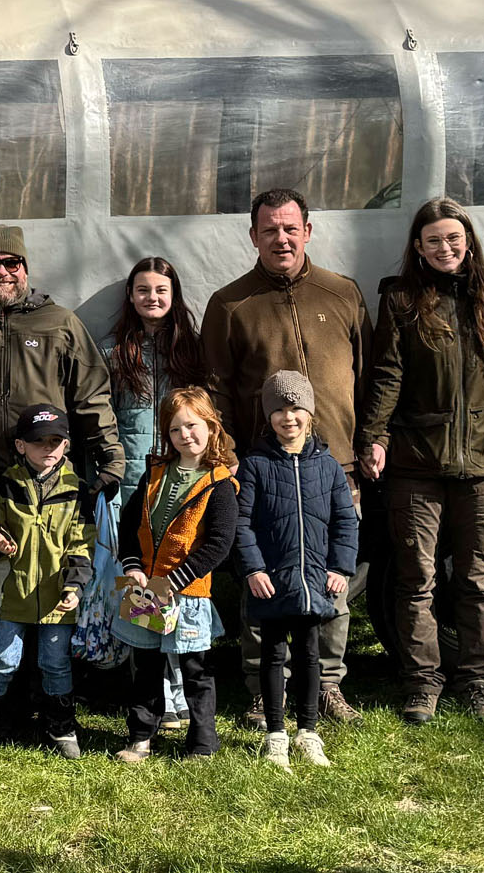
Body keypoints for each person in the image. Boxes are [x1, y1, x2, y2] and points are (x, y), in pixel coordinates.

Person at [357, 198, 484, 725]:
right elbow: (386, 375)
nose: (444, 248)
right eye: (433, 240)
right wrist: (374, 436)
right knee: (416, 579)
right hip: (416, 463)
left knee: (478, 579)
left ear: (468, 242)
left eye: (453, 239)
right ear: (418, 247)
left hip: (482, 464)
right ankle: (421, 683)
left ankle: (477, 683)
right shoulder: (402, 302)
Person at [202, 188, 371, 728]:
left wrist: (369, 441)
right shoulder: (230, 304)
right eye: (270, 229)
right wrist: (227, 458)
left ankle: (326, 685)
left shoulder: (342, 293)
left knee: (332, 580)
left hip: (335, 466)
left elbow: (366, 380)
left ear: (308, 231)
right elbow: (217, 391)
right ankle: (261, 688)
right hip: (263, 469)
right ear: (253, 236)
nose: (281, 238)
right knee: (264, 580)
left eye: (290, 227)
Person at [0, 225, 124, 670]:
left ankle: (46, 687)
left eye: (12, 263)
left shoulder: (59, 323)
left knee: (50, 580)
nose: (2, 272)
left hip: (50, 482)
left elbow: (91, 394)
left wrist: (111, 458)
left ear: (26, 268)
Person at [103, 256, 211, 731]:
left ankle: (176, 693)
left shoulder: (190, 349)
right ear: (130, 296)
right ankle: (146, 689)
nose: (153, 298)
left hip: (180, 483)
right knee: (136, 586)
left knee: (174, 583)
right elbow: (102, 416)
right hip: (131, 486)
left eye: (161, 290)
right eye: (143, 290)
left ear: (174, 295)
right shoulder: (113, 351)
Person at [234, 371, 359, 771]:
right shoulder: (255, 465)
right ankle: (275, 735)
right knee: (273, 655)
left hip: (314, 583)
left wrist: (340, 566)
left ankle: (308, 732)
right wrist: (253, 569)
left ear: (310, 413)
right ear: (268, 417)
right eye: (279, 411)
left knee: (309, 655)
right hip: (271, 582)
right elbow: (243, 523)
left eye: (296, 409)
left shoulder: (328, 466)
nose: (288, 418)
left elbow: (345, 521)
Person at [0, 404, 94, 761]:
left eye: (56, 441)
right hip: (12, 594)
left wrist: (74, 587)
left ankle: (61, 727)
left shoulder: (78, 489)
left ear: (66, 445)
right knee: (3, 661)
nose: (48, 449)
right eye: (39, 442)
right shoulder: (6, 485)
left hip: (57, 598)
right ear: (21, 446)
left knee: (55, 663)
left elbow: (82, 544)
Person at [113, 386, 237, 763]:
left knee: (196, 669)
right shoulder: (154, 475)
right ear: (166, 435)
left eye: (193, 426)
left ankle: (202, 743)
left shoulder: (218, 483)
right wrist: (132, 565)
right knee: (146, 664)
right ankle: (140, 738)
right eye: (176, 430)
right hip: (147, 591)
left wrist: (176, 580)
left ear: (212, 427)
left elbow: (218, 544)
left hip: (188, 593)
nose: (186, 436)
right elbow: (130, 524)